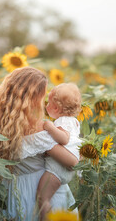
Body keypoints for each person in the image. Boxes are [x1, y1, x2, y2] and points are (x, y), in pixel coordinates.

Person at [0, 67, 78, 221]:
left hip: (11, 193)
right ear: (33, 99)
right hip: (38, 196)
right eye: (43, 97)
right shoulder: (38, 130)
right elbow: (73, 163)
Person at [37, 83, 82, 221]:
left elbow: (64, 139)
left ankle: (45, 218)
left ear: (56, 108)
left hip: (56, 169)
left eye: (48, 103)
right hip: (65, 169)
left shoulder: (62, 121)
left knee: (42, 197)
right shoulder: (74, 121)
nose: (46, 106)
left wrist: (49, 127)